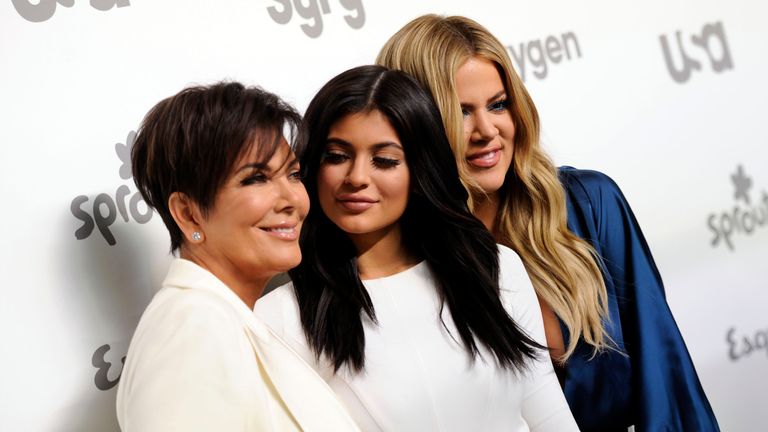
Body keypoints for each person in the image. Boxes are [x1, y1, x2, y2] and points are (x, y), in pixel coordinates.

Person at [376, 14, 719, 431]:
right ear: (414, 124)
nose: (488, 130)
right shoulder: (395, 262)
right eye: (460, 112)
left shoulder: (588, 205)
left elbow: (666, 380)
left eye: (498, 105)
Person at [255, 65, 578, 431]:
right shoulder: (278, 319)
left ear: (420, 169)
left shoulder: (496, 269)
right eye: (337, 156)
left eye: (385, 160)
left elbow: (550, 417)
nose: (357, 177)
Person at [115, 82, 359, 431]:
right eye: (256, 179)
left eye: (293, 174)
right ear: (188, 214)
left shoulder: (229, 319)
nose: (291, 199)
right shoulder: (192, 327)